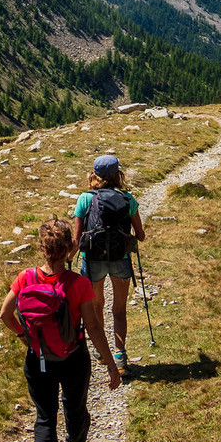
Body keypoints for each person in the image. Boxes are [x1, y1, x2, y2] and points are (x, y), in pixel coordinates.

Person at [0, 217, 120, 442]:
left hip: (37, 358)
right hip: (73, 358)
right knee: (75, 408)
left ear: (42, 249)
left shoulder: (24, 278)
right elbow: (93, 327)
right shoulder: (78, 283)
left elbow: (5, 315)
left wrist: (24, 337)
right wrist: (111, 365)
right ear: (70, 249)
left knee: (45, 417)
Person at [73, 151, 144, 375]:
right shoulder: (128, 199)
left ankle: (102, 352)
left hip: (93, 260)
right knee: (119, 309)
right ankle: (120, 356)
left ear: (94, 174)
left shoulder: (85, 199)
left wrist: (64, 259)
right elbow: (140, 236)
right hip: (120, 259)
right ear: (117, 175)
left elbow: (76, 239)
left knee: (96, 306)